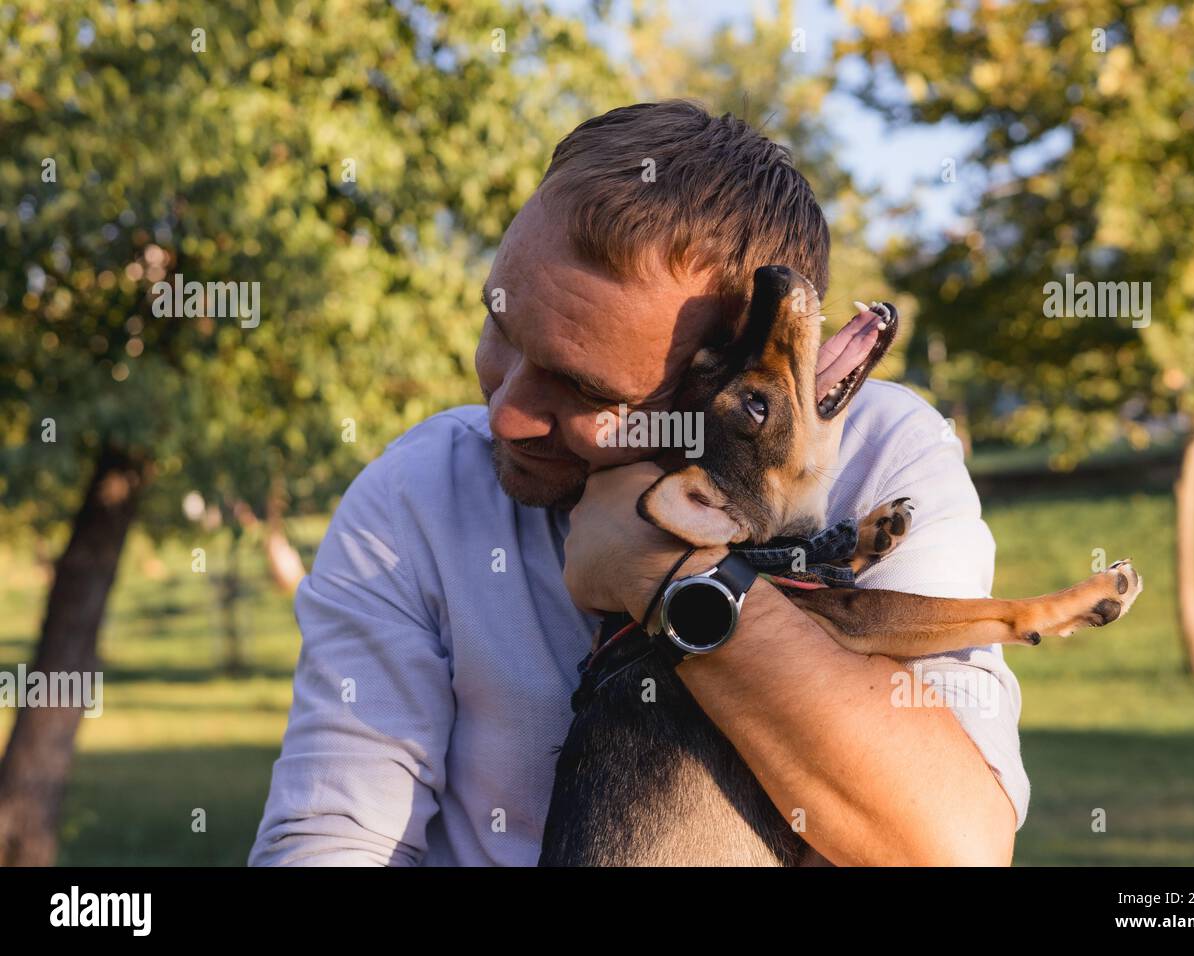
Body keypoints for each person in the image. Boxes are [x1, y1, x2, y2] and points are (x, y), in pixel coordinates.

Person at [248, 100, 1029, 866]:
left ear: (733, 380)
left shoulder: (881, 458)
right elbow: (329, 842)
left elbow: (953, 848)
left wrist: (671, 574)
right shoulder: (415, 497)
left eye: (586, 392)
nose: (505, 413)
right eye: (500, 327)